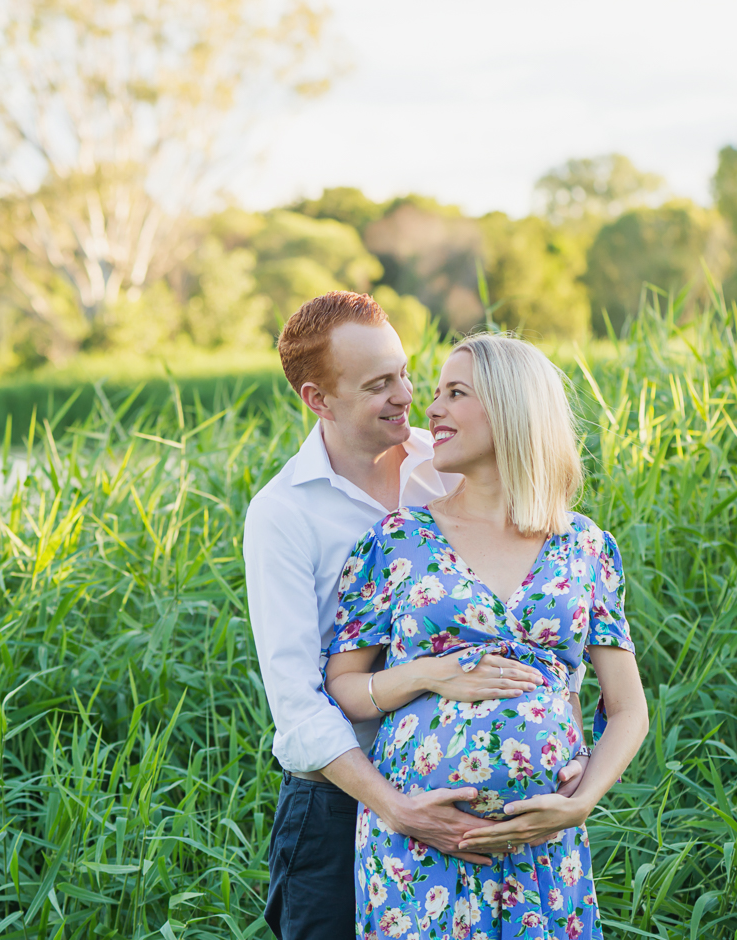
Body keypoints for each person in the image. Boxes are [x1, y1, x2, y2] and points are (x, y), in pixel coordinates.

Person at [243, 294, 589, 940]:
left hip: (488, 806)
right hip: (342, 799)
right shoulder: (284, 514)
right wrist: (400, 810)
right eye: (379, 385)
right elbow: (298, 706)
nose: (407, 395)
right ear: (319, 399)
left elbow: (537, 603)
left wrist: (558, 724)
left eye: (405, 372)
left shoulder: (453, 461)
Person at [324, 333, 649, 939]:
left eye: (455, 393)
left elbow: (628, 708)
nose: (431, 408)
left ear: (510, 408)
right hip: (419, 851)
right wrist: (428, 673)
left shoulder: (585, 546)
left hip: (543, 848)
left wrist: (580, 804)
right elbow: (343, 685)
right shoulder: (395, 540)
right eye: (437, 392)